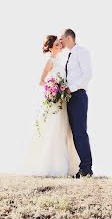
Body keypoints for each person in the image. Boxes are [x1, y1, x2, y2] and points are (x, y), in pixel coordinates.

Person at [24, 35, 80, 177]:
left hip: (62, 103)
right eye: (55, 44)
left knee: (62, 131)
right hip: (53, 102)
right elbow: (42, 81)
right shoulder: (50, 62)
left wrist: (62, 89)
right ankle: (48, 166)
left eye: (58, 44)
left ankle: (64, 166)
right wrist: (53, 89)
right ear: (49, 47)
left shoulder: (61, 62)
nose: (58, 46)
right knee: (52, 129)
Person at [60, 28, 93, 178]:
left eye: (62, 38)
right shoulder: (68, 55)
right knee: (74, 134)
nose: (61, 41)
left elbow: (88, 75)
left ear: (68, 38)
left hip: (78, 96)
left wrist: (71, 89)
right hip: (70, 98)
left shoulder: (81, 52)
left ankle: (86, 168)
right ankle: (82, 167)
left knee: (80, 132)